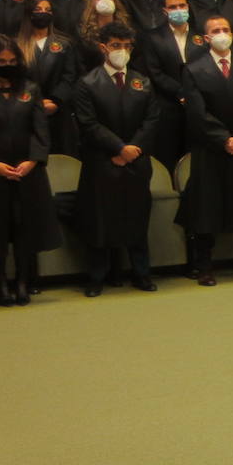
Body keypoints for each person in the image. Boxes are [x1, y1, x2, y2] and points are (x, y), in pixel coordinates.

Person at [176, 15, 233, 286]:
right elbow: (196, 112)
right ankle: (204, 266)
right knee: (208, 208)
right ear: (206, 38)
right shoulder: (194, 70)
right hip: (211, 149)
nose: (222, 34)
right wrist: (225, 139)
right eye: (215, 30)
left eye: (225, 29)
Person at [71, 22, 160, 297]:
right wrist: (118, 148)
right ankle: (97, 276)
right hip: (102, 162)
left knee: (137, 217)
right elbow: (88, 124)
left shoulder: (142, 81)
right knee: (100, 220)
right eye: (116, 46)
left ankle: (141, 273)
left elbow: (153, 119)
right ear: (103, 48)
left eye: (126, 46)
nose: (122, 51)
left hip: (136, 161)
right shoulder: (87, 83)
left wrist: (133, 148)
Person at [0, 35, 63, 306]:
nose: (8, 65)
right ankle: (1, 285)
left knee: (25, 229)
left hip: (28, 173)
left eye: (12, 61)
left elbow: (41, 131)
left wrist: (33, 161)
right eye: (2, 61)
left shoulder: (31, 88)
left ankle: (24, 282)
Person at [133, 0, 209, 175]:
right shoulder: (152, 37)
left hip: (197, 107)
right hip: (167, 106)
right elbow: (154, 72)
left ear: (188, 7)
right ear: (165, 11)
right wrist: (180, 92)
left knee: (196, 159)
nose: (178, 10)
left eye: (182, 5)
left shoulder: (201, 37)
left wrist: (192, 95)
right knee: (169, 157)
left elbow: (207, 69)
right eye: (173, 7)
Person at [17, 0, 81, 156]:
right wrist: (35, 102)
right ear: (29, 14)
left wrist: (56, 100)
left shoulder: (65, 43)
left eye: (47, 10)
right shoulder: (16, 44)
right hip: (25, 109)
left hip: (58, 111)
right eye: (38, 10)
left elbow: (70, 76)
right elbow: (14, 78)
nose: (43, 13)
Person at [74, 0, 133, 71]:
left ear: (115, 3)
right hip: (93, 77)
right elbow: (80, 61)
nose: (106, 0)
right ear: (92, 4)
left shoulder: (125, 27)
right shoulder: (83, 31)